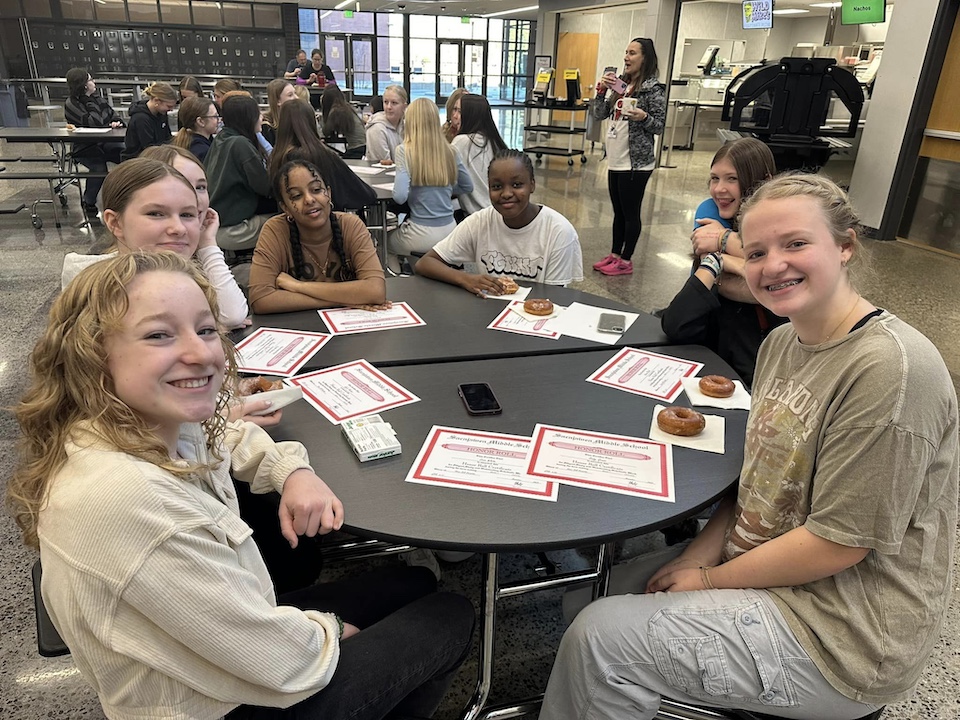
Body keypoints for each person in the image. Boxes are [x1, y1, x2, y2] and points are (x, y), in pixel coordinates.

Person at [540, 173, 959, 720]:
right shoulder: (782, 341)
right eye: (756, 251)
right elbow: (757, 483)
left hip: (840, 630)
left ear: (846, 246)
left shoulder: (891, 371)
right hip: (763, 565)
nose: (772, 265)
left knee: (600, 639)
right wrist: (699, 553)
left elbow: (839, 544)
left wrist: (708, 580)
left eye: (796, 243)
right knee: (584, 600)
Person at [8, 250, 475, 720]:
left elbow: (224, 434)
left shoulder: (133, 425)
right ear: (91, 355)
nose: (200, 354)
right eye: (158, 335)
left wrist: (292, 470)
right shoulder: (131, 500)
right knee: (449, 617)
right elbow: (282, 662)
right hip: (212, 706)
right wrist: (332, 631)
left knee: (413, 580)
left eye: (205, 329)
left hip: (211, 643)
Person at [60, 155, 248, 329]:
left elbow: (232, 315)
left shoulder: (191, 277)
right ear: (115, 223)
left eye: (187, 215)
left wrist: (208, 244)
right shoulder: (92, 292)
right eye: (156, 214)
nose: (179, 228)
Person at [660, 137, 786, 388]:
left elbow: (775, 276)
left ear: (763, 182)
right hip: (713, 330)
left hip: (757, 349)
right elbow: (716, 279)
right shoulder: (710, 211)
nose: (719, 189)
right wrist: (735, 264)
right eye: (714, 178)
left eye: (732, 179)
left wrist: (723, 239)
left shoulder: (781, 221)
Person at [416, 149, 583, 294]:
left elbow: (554, 297)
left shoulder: (559, 231)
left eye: (517, 185)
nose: (506, 194)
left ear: (532, 185)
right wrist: (466, 278)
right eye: (496, 187)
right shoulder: (479, 222)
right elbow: (425, 263)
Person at [249, 159, 387, 314]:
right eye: (296, 196)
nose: (309, 200)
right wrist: (346, 299)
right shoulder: (275, 231)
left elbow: (376, 291)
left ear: (329, 194)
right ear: (285, 208)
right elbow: (261, 300)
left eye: (316, 190)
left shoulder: (350, 225)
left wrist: (298, 286)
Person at [590, 37, 666, 276]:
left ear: (645, 58)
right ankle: (614, 254)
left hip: (636, 163)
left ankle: (626, 260)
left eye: (632, 53)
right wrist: (601, 92)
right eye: (626, 52)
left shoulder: (653, 89)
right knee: (618, 212)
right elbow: (599, 114)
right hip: (616, 158)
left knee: (630, 213)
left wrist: (644, 117)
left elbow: (659, 126)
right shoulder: (621, 85)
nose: (626, 57)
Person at [388, 97, 473, 261]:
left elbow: (399, 197)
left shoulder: (404, 150)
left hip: (420, 232)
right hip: (450, 230)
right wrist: (444, 187)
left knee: (384, 244)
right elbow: (468, 186)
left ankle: (397, 277)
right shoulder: (451, 150)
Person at [268, 99, 376, 212]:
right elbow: (364, 194)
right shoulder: (322, 155)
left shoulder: (275, 158)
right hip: (324, 219)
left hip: (288, 220)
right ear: (311, 122)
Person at [205, 93, 276, 253]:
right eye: (257, 114)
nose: (262, 117)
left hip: (218, 224)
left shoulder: (222, 138)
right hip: (233, 229)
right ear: (247, 118)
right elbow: (266, 188)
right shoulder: (240, 144)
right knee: (290, 221)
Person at [63, 67, 124, 214]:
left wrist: (116, 122)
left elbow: (113, 115)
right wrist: (88, 100)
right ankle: (89, 201)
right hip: (85, 146)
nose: (94, 82)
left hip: (106, 142)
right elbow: (94, 122)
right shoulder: (72, 104)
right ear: (84, 85)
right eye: (90, 80)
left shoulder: (98, 99)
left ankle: (125, 196)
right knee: (98, 168)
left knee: (128, 157)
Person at [450, 94, 507, 216]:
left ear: (471, 115)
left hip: (477, 216)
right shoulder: (494, 141)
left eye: (460, 112)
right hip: (498, 211)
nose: (454, 116)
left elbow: (447, 179)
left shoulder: (461, 142)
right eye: (454, 110)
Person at [121, 82, 176, 161]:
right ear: (156, 100)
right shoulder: (140, 118)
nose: (171, 109)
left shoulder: (162, 114)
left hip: (155, 156)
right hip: (137, 160)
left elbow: (167, 138)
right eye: (169, 106)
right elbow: (148, 148)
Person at [320, 83, 367, 158]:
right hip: (364, 146)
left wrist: (323, 116)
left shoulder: (336, 111)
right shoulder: (346, 107)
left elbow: (325, 132)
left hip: (356, 149)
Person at [365, 84, 407, 163]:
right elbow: (384, 164)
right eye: (386, 102)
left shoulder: (405, 125)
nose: (389, 107)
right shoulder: (377, 128)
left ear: (404, 107)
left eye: (394, 103)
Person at [171, 95, 219, 162]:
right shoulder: (203, 152)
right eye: (215, 116)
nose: (219, 120)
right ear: (200, 121)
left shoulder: (184, 141)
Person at [260, 78, 299, 147]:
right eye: (290, 95)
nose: (296, 97)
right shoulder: (266, 127)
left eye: (295, 93)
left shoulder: (298, 119)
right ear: (278, 101)